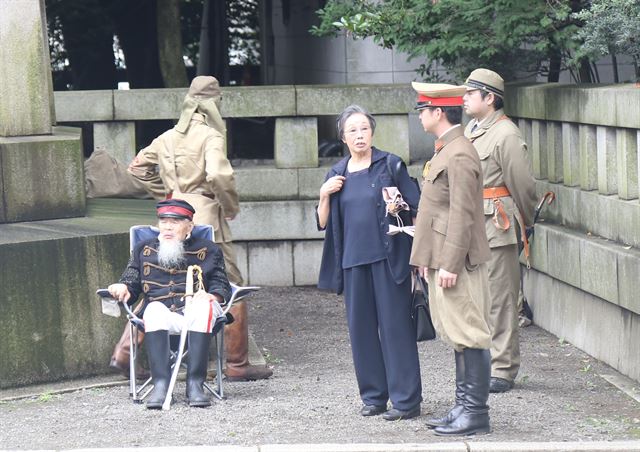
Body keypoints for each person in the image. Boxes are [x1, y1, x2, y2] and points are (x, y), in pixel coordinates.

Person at [124, 75, 272, 382]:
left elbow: (136, 167)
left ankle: (125, 350)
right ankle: (237, 363)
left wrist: (167, 194)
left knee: (162, 281)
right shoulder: (211, 136)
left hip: (170, 215)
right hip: (204, 216)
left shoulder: (166, 137)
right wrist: (229, 207)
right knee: (230, 280)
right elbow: (218, 173)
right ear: (214, 104)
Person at [317, 104, 422, 421]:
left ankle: (406, 401)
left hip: (389, 259)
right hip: (352, 261)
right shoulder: (336, 174)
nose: (359, 134)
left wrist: (400, 209)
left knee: (395, 329)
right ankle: (374, 397)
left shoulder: (390, 164)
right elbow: (322, 223)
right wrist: (324, 195)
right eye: (353, 130)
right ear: (343, 138)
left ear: (372, 132)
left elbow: (415, 209)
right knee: (361, 331)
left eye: (364, 128)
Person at [409, 82, 492, 436]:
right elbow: (436, 213)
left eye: (422, 109)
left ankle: (475, 412)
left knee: (470, 333)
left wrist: (450, 264)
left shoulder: (458, 153)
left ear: (438, 111)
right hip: (444, 258)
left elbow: (462, 214)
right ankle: (463, 405)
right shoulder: (447, 148)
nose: (421, 116)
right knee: (457, 334)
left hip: (457, 262)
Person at [107, 199, 231, 409]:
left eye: (175, 222)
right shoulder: (143, 249)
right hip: (162, 315)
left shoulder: (208, 249)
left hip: (199, 315)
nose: (167, 226)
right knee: (153, 309)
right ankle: (161, 386)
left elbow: (221, 283)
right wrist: (122, 287)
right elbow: (131, 281)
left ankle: (195, 385)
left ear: (189, 226)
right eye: (163, 221)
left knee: (202, 306)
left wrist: (214, 296)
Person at [462, 69, 537, 393]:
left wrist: (527, 221)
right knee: (479, 298)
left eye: (470, 93)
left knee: (501, 299)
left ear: (489, 98)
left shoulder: (505, 134)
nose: (464, 98)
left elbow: (522, 185)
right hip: (474, 223)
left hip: (497, 224)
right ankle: (487, 361)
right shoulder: (473, 129)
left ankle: (503, 368)